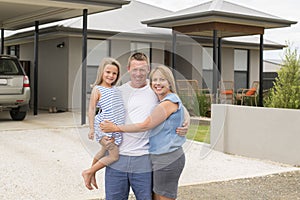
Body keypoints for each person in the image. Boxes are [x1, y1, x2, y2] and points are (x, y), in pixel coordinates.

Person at [94, 52, 189, 200]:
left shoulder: (155, 90)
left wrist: (185, 122)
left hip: (143, 158)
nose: (138, 74)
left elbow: (178, 106)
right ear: (128, 69)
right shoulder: (118, 92)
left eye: (142, 70)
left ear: (148, 70)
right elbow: (101, 116)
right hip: (117, 158)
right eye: (135, 69)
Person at [81, 57, 125, 190]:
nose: (111, 75)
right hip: (103, 128)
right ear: (101, 72)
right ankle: (88, 172)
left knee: (103, 151)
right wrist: (92, 129)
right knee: (114, 155)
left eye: (114, 73)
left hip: (114, 128)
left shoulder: (117, 90)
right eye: (108, 72)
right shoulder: (98, 89)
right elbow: (92, 109)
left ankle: (92, 172)